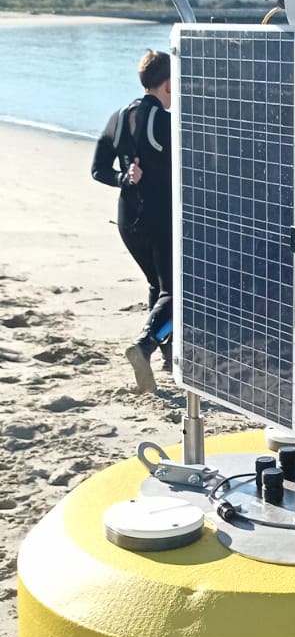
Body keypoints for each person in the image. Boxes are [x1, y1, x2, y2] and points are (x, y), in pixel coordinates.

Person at [91, 48, 173, 392]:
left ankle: (168, 357)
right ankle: (144, 346)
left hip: (128, 221)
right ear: (168, 84)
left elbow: (98, 170)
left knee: (158, 286)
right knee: (177, 293)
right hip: (160, 219)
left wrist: (125, 179)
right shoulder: (165, 123)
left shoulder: (118, 116)